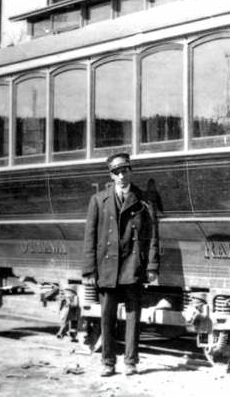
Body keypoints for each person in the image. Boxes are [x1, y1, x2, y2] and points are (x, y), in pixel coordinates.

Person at [82, 153, 160, 377]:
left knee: (133, 317)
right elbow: (90, 236)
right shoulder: (98, 200)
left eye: (125, 170)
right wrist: (89, 270)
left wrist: (152, 266)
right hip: (107, 268)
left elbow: (153, 236)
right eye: (116, 172)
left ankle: (130, 362)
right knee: (107, 318)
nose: (121, 176)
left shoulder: (143, 200)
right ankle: (107, 362)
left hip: (132, 266)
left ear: (131, 171)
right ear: (111, 175)